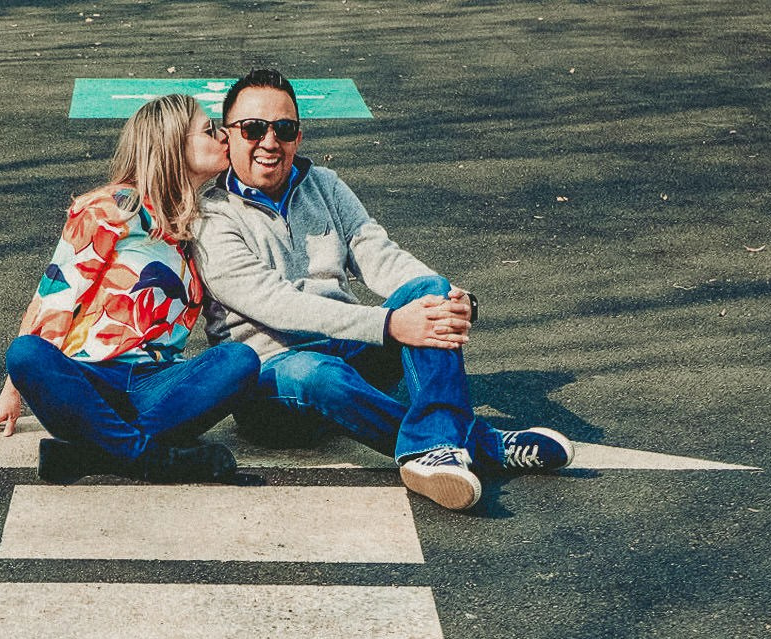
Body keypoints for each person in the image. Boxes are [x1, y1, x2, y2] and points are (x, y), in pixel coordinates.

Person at [192, 69, 574, 511]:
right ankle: (481, 444)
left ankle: (434, 449)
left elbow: (378, 253)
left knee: (426, 288)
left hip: (346, 347)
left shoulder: (325, 186)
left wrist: (450, 296)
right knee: (317, 372)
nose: (270, 142)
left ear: (299, 134)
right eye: (253, 129)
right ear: (229, 135)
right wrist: (391, 324)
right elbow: (277, 305)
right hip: (271, 381)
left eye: (285, 128)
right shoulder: (210, 217)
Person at [0, 93, 259, 482]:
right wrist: (13, 391)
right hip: (90, 384)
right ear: (171, 143)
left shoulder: (201, 225)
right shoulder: (111, 209)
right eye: (210, 130)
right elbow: (54, 299)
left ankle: (94, 455)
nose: (224, 137)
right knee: (25, 354)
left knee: (238, 361)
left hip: (156, 387)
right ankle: (154, 459)